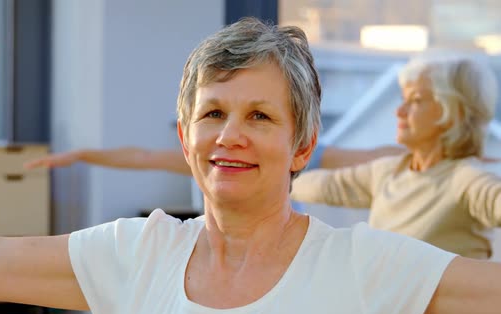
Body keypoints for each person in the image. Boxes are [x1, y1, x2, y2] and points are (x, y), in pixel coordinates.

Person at [0, 17, 501, 314]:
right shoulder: (139, 254)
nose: (229, 135)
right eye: (213, 113)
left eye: (260, 116)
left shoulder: (367, 268)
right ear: (185, 138)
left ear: (302, 147)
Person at [291, 54, 501, 259]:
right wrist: (275, 180)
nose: (399, 111)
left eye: (416, 101)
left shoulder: (466, 180)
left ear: (452, 113)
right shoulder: (388, 171)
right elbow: (321, 185)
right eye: (404, 99)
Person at [23, 144, 407, 173]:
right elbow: (142, 157)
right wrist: (80, 154)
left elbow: (371, 156)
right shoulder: (207, 158)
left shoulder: (303, 153)